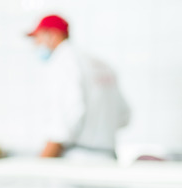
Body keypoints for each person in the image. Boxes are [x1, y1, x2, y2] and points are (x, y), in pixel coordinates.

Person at [28, 15, 131, 160]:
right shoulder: (100, 63)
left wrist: (40, 164)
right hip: (108, 158)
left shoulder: (62, 62)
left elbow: (63, 126)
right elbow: (124, 116)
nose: (35, 45)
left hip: (77, 160)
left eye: (37, 38)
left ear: (52, 35)